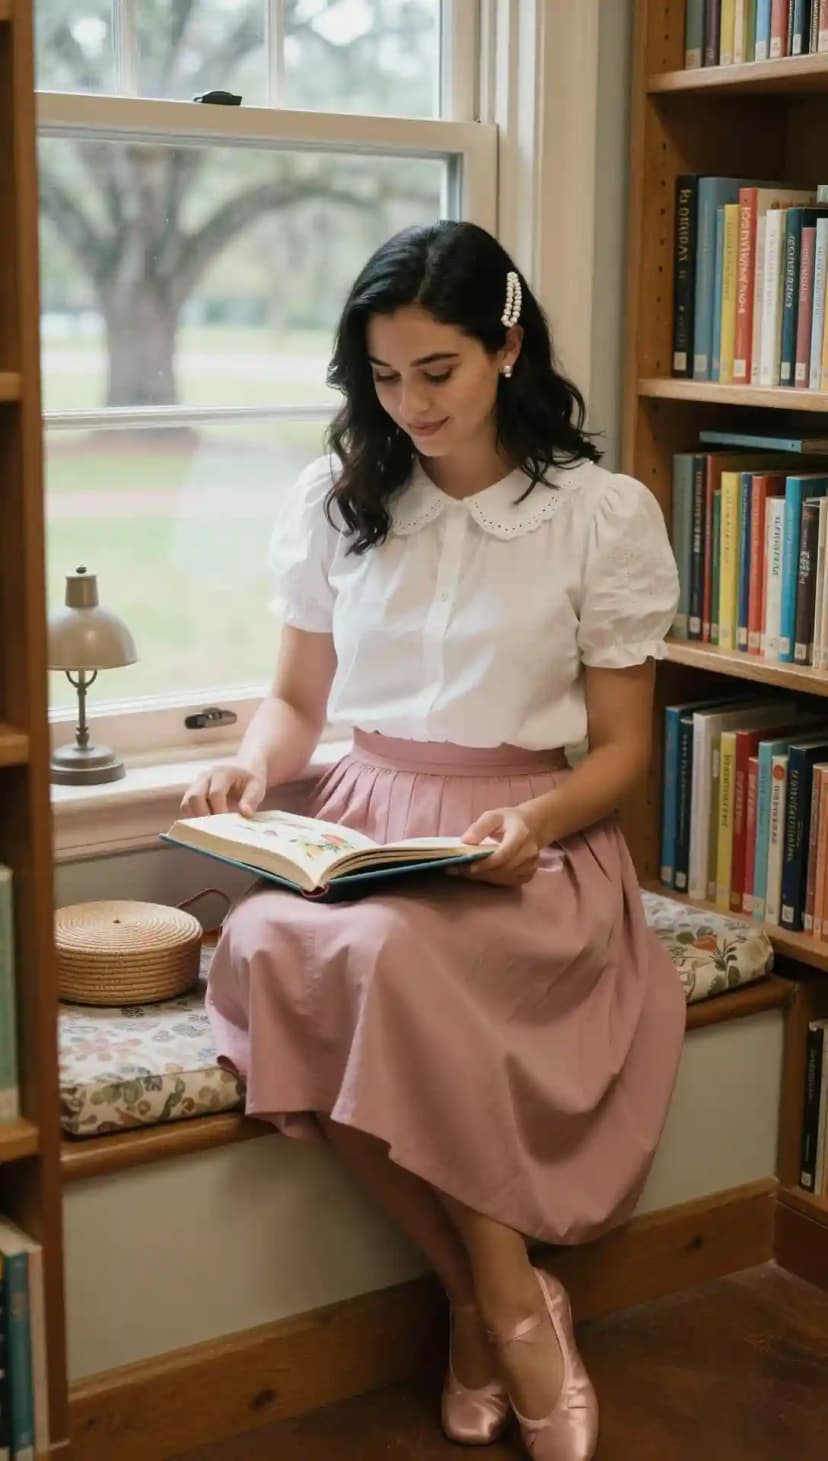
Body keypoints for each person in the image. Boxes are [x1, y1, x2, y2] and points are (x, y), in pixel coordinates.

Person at [182, 220, 686, 1461]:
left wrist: (536, 817)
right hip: (363, 821)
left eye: (438, 372)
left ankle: (501, 1304)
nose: (408, 405)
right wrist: (255, 760)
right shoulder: (342, 496)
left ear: (507, 347)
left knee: (388, 964)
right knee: (262, 939)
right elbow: (301, 701)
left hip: (530, 846)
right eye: (385, 377)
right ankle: (494, 1295)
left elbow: (619, 752)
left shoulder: (597, 515)